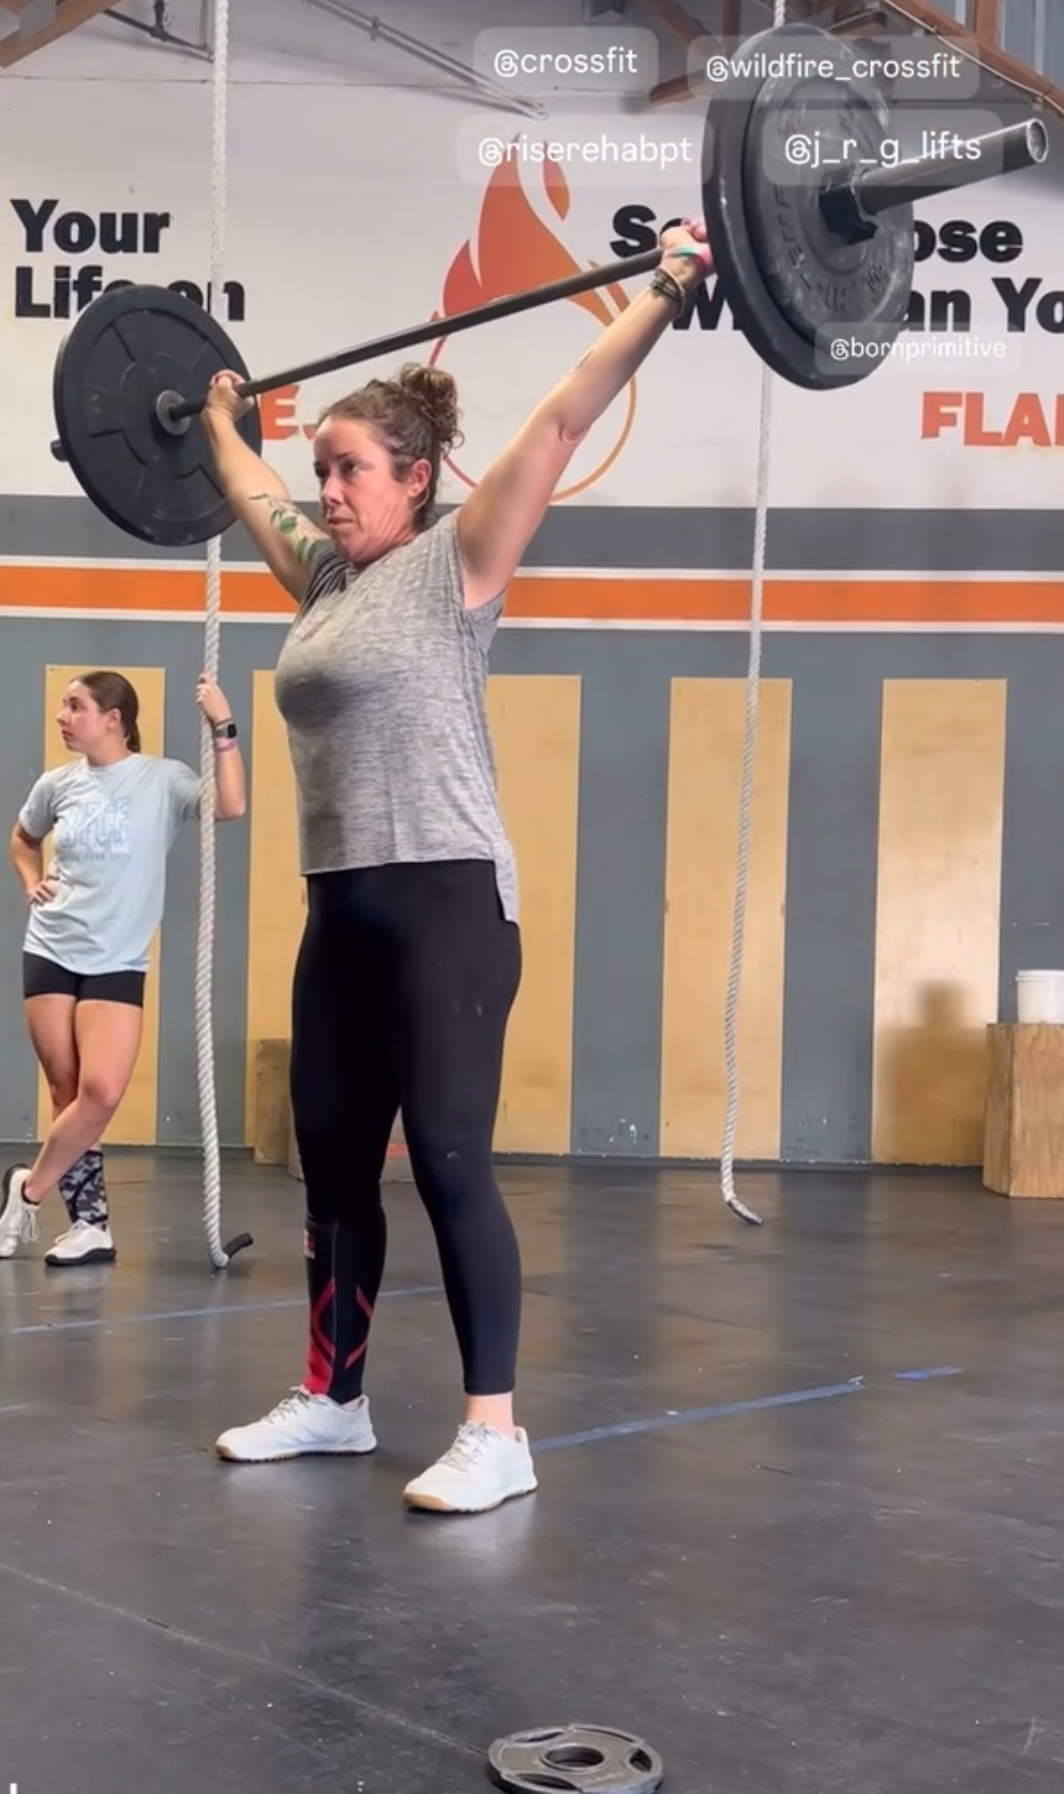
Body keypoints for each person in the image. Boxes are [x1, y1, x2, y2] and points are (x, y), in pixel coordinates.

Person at [202, 220, 713, 1514]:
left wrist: (663, 287)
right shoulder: (322, 583)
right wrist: (210, 414)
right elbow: (250, 492)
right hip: (339, 908)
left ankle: (497, 1430)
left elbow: (560, 418)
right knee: (331, 1169)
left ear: (417, 478)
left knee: (444, 1158)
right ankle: (334, 1399)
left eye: (352, 470)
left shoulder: (457, 562)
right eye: (322, 469)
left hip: (446, 902)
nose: (327, 490)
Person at [0, 667, 247, 1268]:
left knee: (100, 1092)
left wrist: (224, 726)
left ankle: (28, 1190)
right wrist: (30, 881)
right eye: (63, 706)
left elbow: (231, 805)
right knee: (66, 1093)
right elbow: (22, 840)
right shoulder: (56, 785)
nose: (62, 717)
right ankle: (91, 1226)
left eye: (75, 706)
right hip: (51, 948)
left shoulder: (162, 780)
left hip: (117, 959)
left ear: (114, 720)